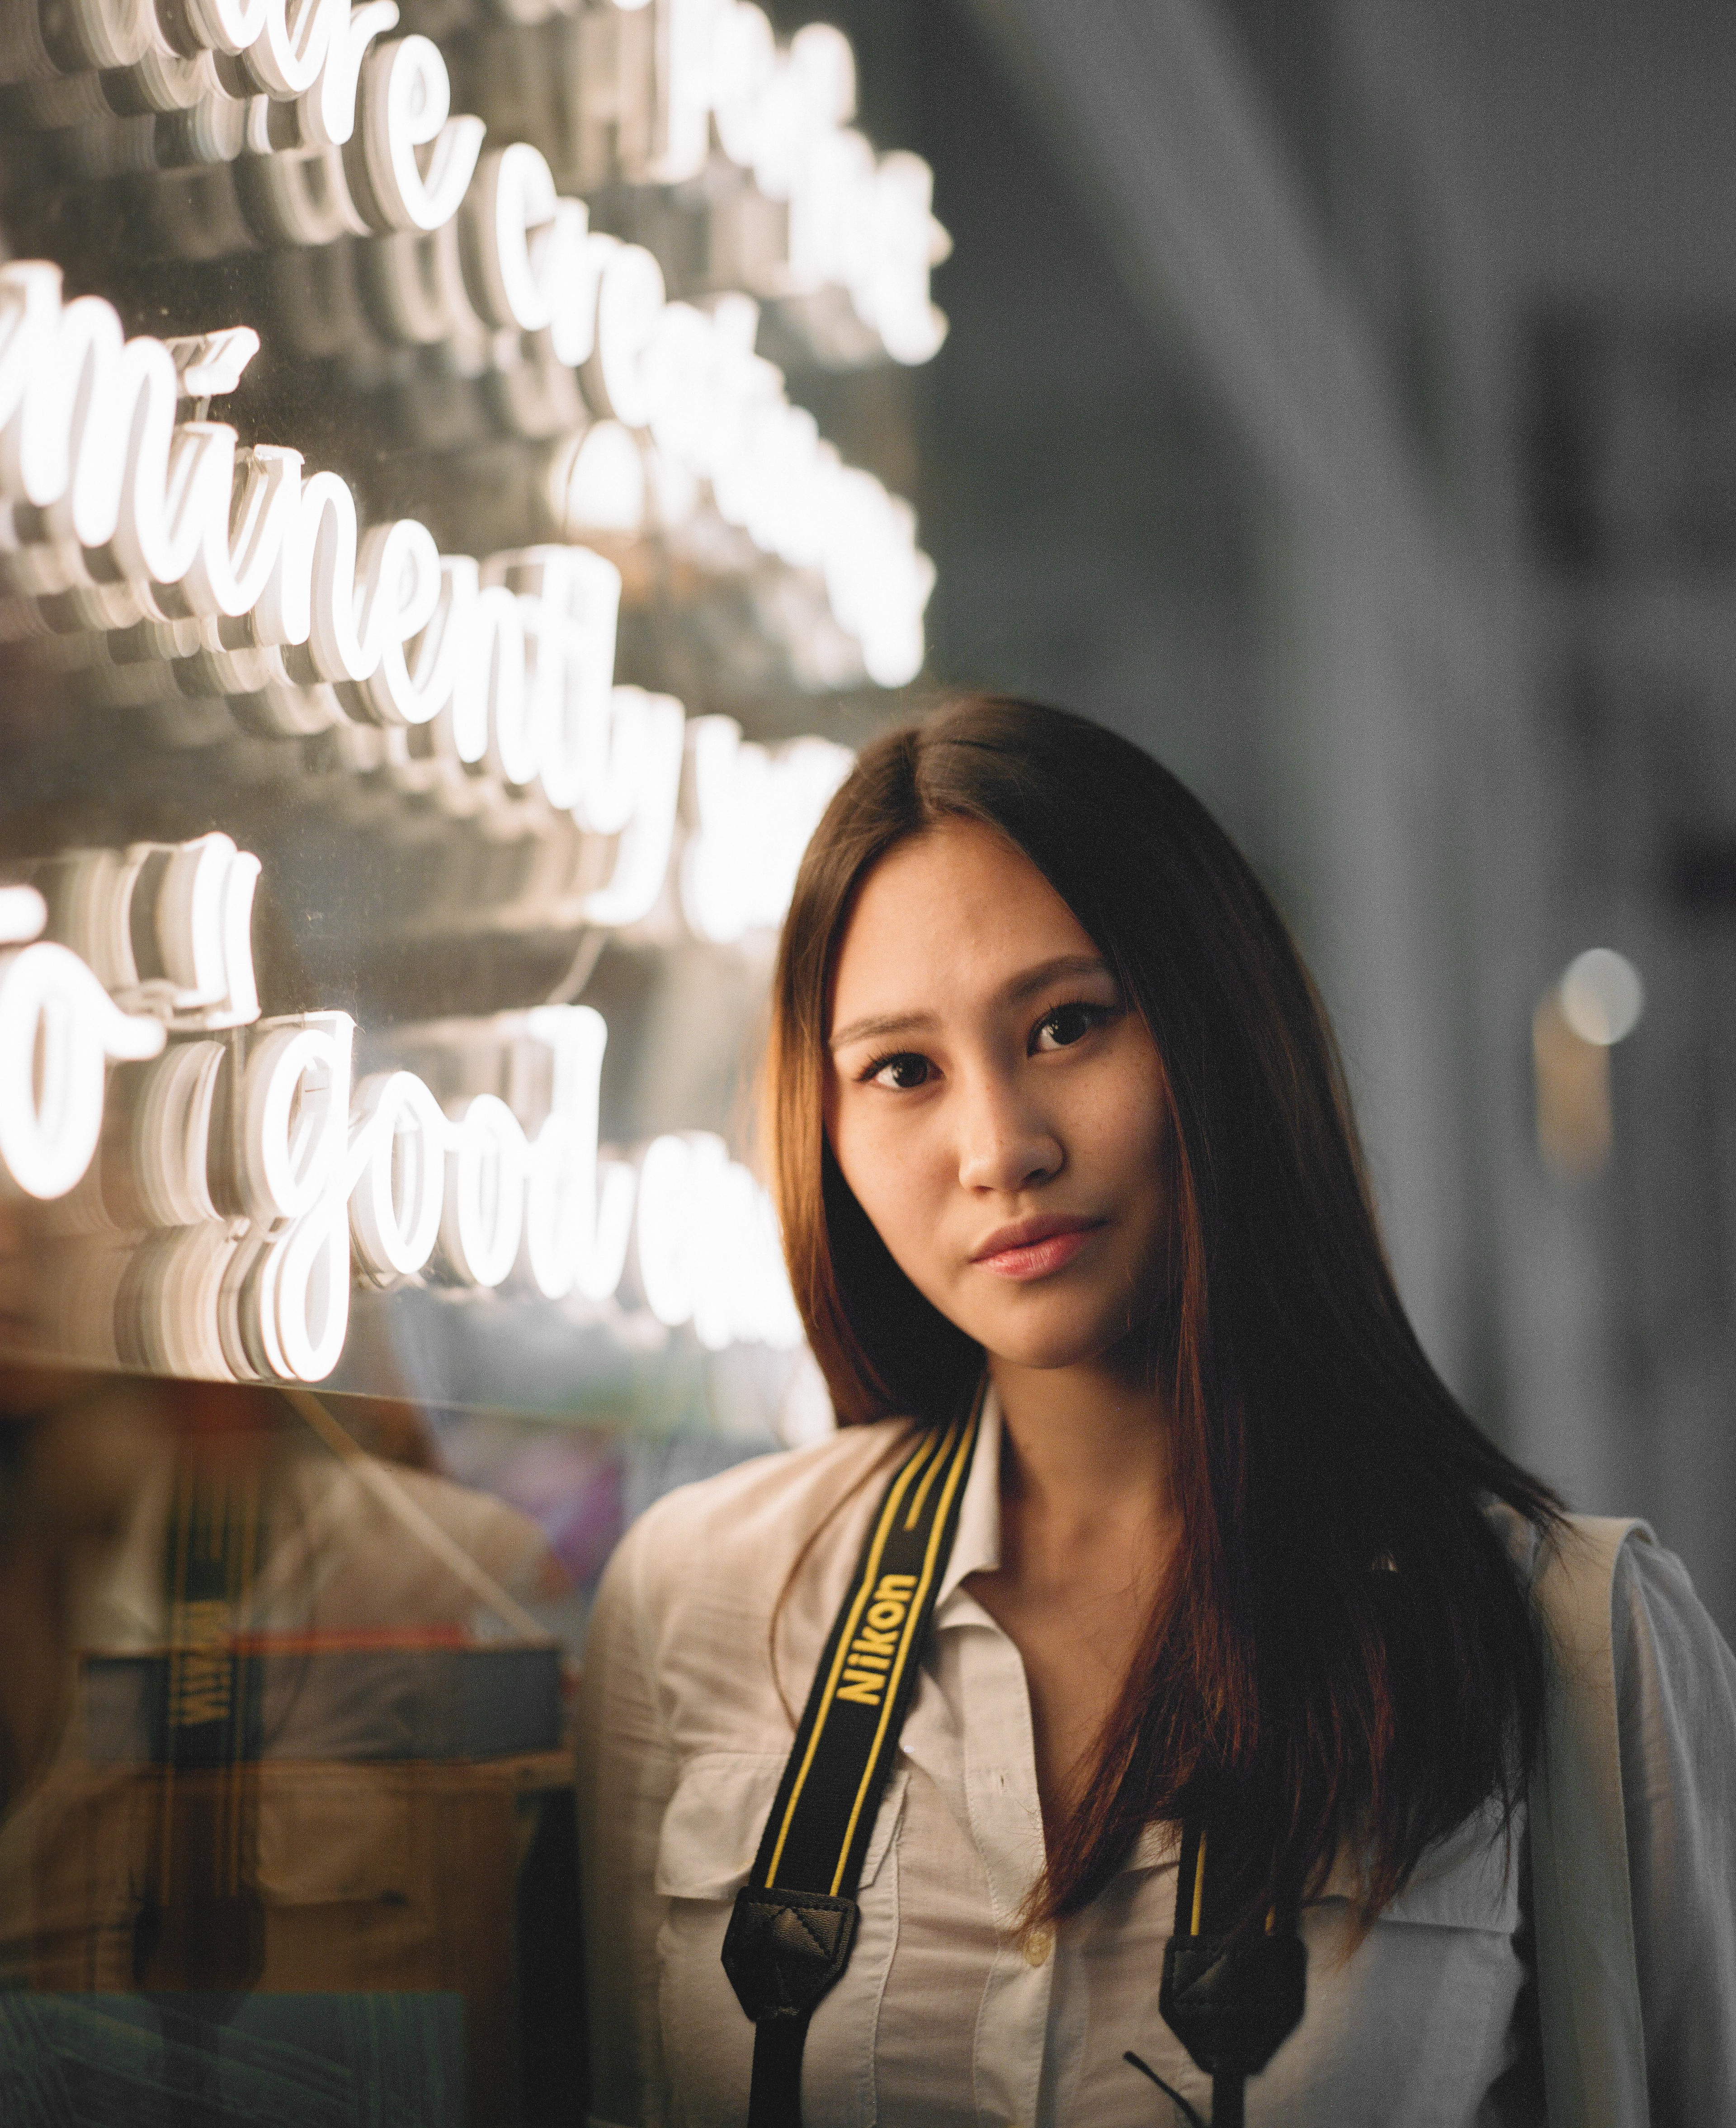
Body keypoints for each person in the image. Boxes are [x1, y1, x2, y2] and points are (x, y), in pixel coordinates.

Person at [576, 695, 1736, 2127]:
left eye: (1065, 1027)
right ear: (825, 1126)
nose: (1000, 1147)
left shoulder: (1566, 1636)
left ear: (1216, 1031)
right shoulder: (695, 1601)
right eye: (902, 1072)